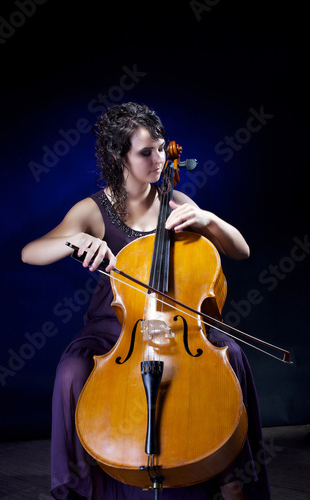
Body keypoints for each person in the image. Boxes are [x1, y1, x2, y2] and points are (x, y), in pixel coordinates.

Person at [22, 102, 270, 500]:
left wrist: (210, 221)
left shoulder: (176, 203)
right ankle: (82, 486)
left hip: (177, 325)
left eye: (159, 148)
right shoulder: (94, 209)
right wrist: (75, 239)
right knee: (70, 372)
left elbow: (239, 250)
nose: (158, 159)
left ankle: (232, 477)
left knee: (233, 354)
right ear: (118, 157)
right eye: (145, 152)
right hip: (114, 330)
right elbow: (30, 252)